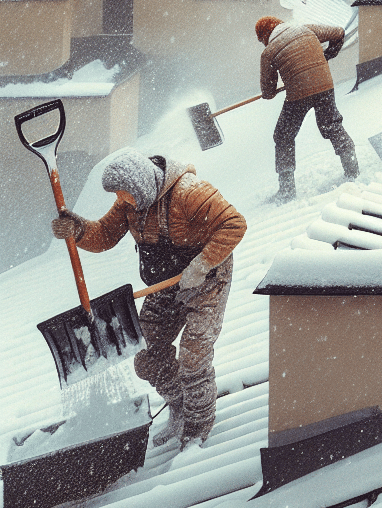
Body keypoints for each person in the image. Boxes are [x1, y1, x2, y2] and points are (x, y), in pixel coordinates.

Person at [51, 149, 246, 448]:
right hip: (164, 284)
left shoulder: (188, 192)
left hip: (206, 279)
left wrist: (203, 263)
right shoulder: (130, 205)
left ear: (139, 184)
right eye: (117, 194)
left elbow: (234, 224)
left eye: (123, 192)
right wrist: (77, 229)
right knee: (146, 358)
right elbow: (103, 235)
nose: (120, 199)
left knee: (193, 356)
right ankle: (181, 408)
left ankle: (197, 427)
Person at [256, 16, 356, 201]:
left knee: (283, 136)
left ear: (265, 35)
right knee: (332, 125)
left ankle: (287, 190)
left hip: (298, 94)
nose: (263, 43)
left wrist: (270, 90)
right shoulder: (306, 29)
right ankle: (352, 170)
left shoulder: (269, 52)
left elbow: (268, 91)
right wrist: (327, 55)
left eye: (261, 39)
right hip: (324, 85)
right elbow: (339, 33)